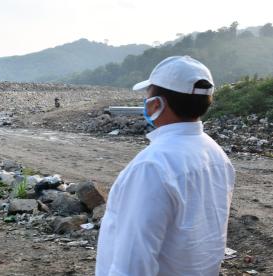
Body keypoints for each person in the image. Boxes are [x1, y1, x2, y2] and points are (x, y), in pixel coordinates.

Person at [96, 56, 235, 276]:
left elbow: (133, 263)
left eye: (148, 95)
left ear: (158, 104)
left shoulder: (152, 166)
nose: (146, 101)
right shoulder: (216, 154)